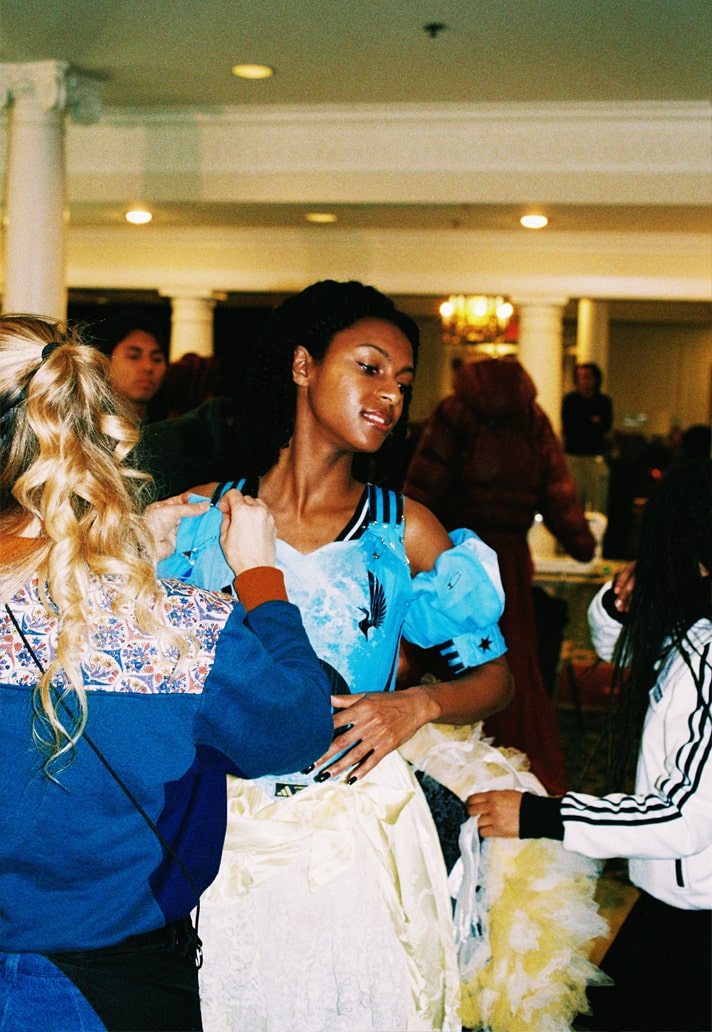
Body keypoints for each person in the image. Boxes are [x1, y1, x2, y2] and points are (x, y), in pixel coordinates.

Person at [158, 279, 514, 1031]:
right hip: (216, 829)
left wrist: (416, 703)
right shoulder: (198, 519)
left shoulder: (403, 530)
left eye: (404, 383)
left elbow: (495, 678)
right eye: (370, 367)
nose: (391, 396)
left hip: (353, 835)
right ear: (303, 366)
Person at [0, 316, 333, 1032]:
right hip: (101, 988)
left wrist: (122, 553)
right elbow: (297, 729)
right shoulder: (175, 625)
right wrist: (262, 579)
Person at [468, 458, 712, 1032]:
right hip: (673, 903)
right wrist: (617, 600)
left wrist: (540, 815)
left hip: (696, 920)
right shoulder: (693, 630)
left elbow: (684, 818)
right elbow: (618, 647)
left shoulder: (706, 653)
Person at [403, 355, 595, 795]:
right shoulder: (531, 418)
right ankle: (515, 773)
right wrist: (581, 542)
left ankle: (448, 773)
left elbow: (423, 487)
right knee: (510, 666)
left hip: (452, 558)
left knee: (450, 664)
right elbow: (559, 490)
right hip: (507, 563)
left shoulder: (455, 412)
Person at [93, 307, 168, 422]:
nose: (148, 367)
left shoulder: (171, 426)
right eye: (134, 356)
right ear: (105, 361)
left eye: (156, 359)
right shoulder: (88, 424)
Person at [561, 361, 613, 514]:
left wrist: (584, 423)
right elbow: (569, 427)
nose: (584, 381)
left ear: (595, 379)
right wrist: (591, 422)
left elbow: (605, 427)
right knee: (574, 501)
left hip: (594, 456)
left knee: (598, 500)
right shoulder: (570, 400)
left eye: (587, 377)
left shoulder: (603, 402)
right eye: (580, 377)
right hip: (574, 457)